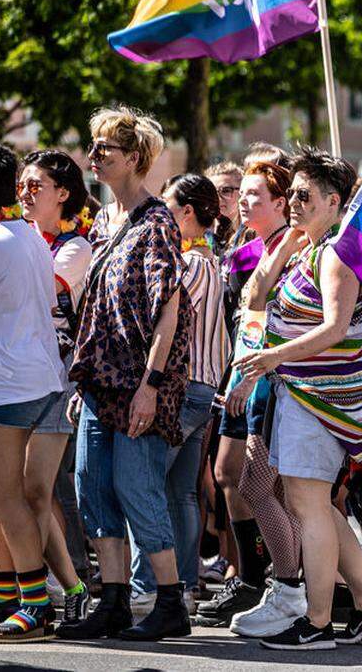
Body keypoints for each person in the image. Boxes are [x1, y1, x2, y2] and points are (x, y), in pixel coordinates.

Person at [235, 145, 362, 650]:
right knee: (318, 506)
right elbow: (255, 299)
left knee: (308, 506)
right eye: (293, 194)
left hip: (326, 401)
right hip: (308, 397)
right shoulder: (313, 246)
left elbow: (335, 328)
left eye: (304, 195)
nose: (295, 203)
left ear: (333, 200)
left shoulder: (335, 254)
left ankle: (319, 622)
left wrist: (273, 357)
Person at [57, 106, 193, 642]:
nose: (93, 156)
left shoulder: (156, 222)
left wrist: (150, 389)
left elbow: (170, 310)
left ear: (134, 159)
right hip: (98, 383)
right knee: (93, 490)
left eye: (104, 149)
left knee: (137, 490)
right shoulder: (106, 221)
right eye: (92, 146)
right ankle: (112, 600)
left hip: (139, 383)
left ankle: (169, 602)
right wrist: (82, 380)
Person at [0, 141, 68, 643]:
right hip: (22, 378)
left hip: (5, 385)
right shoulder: (23, 235)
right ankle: (7, 595)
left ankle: (35, 604)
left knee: (5, 498)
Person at [211, 160, 302, 635]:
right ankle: (292, 588)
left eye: (254, 196)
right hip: (255, 380)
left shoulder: (294, 247)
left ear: (282, 203)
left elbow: (265, 324)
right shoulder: (258, 247)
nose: (242, 203)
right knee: (264, 490)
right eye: (240, 195)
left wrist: (247, 380)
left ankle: (292, 589)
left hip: (279, 385)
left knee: (267, 490)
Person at [129, 174, 228, 612]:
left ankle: (149, 585)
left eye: (168, 206)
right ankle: (182, 585)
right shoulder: (209, 262)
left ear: (187, 212)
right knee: (181, 492)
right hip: (201, 387)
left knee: (145, 484)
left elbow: (159, 318)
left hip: (182, 387)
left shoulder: (192, 264)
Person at [16, 149, 93, 625]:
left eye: (36, 184)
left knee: (36, 491)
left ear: (63, 194)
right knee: (19, 491)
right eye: (21, 183)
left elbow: (39, 288)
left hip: (58, 382)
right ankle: (72, 585)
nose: (24, 192)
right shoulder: (19, 237)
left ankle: (38, 587)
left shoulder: (75, 247)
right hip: (15, 379)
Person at [205, 161, 244, 254]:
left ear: (243, 191)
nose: (217, 198)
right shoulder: (206, 233)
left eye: (226, 191)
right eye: (212, 192)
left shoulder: (254, 232)